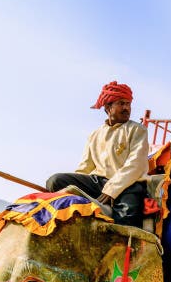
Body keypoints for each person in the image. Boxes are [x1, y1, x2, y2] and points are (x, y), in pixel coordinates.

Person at [46, 81, 148, 227]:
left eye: (128, 104)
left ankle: (126, 247)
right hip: (96, 182)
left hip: (128, 184)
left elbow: (135, 165)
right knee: (55, 181)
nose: (126, 108)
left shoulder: (137, 130)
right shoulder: (95, 134)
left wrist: (112, 189)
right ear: (108, 107)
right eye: (121, 103)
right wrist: (73, 189)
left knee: (127, 215)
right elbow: (84, 168)